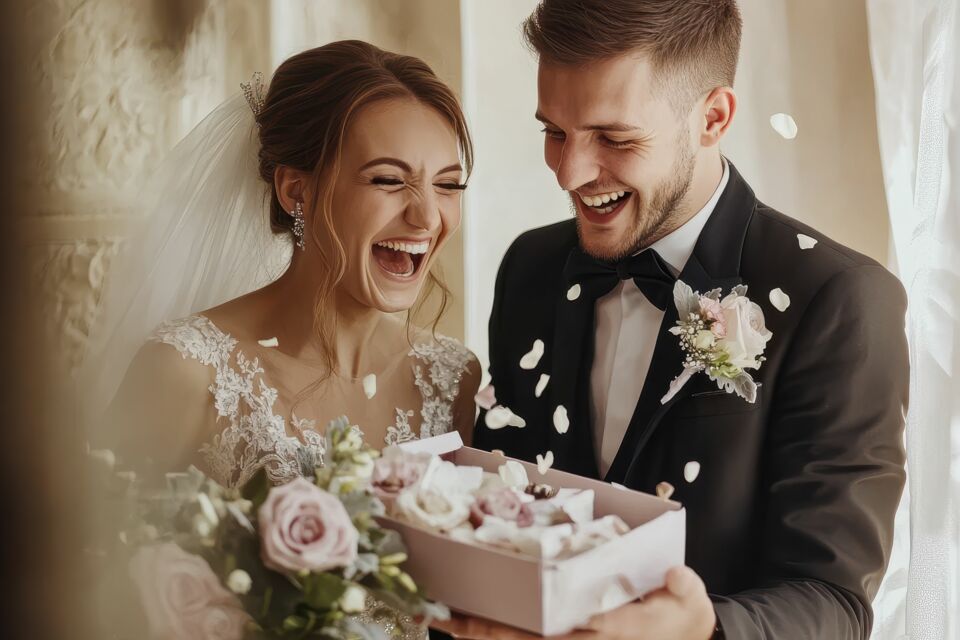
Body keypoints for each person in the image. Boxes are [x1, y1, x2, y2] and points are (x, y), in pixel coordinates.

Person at [458, 1, 908, 639]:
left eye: (614, 138)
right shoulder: (529, 266)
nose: (569, 172)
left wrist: (705, 632)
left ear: (713, 117)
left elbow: (833, 600)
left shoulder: (842, 299)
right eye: (554, 132)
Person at [84, 40, 479, 519]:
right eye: (387, 180)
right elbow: (93, 569)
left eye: (448, 185)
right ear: (297, 191)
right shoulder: (186, 372)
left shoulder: (451, 379)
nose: (427, 217)